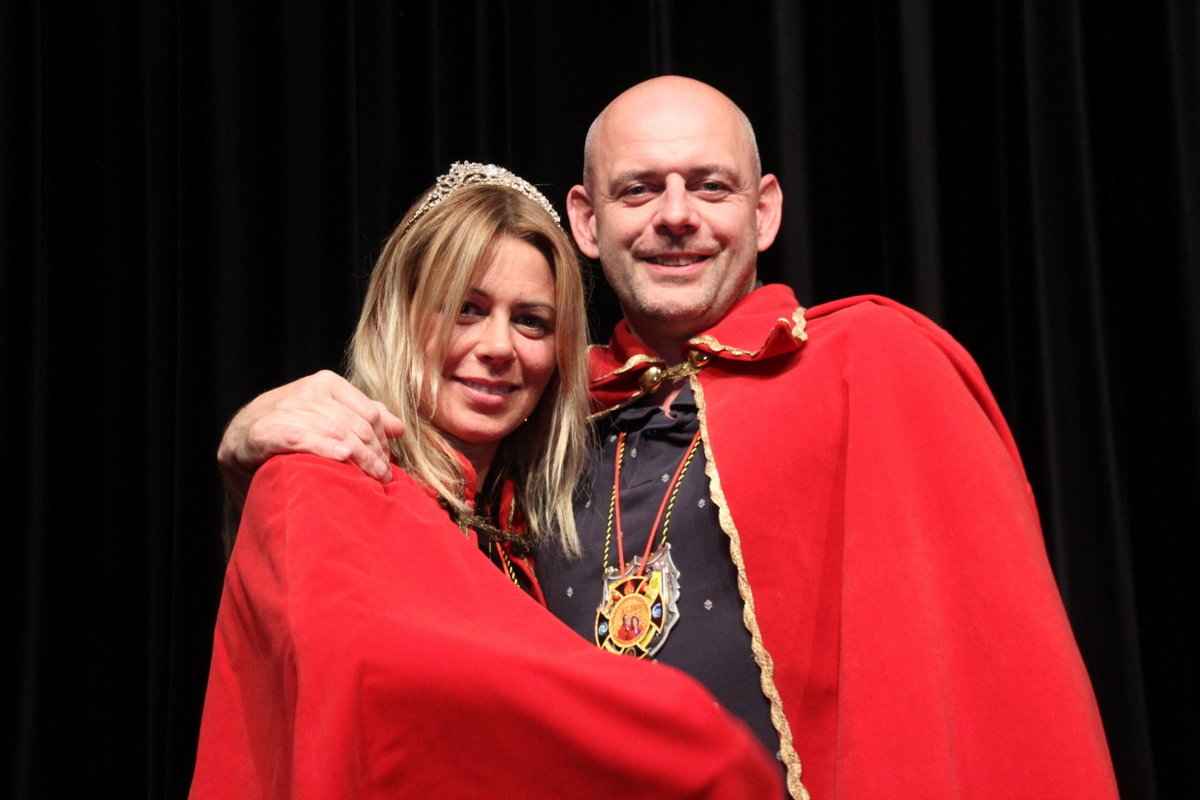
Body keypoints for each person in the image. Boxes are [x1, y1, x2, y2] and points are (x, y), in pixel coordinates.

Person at [217, 79, 1121, 800]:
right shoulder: (546, 425)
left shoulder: (873, 367)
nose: (676, 214)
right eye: (640, 189)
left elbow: (985, 676)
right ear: (588, 221)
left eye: (711, 185)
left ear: (764, 211)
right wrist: (247, 444)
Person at [191, 162, 782, 800]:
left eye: (531, 321)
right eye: (465, 310)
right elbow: (370, 703)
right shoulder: (318, 473)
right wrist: (698, 741)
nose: (499, 346)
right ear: (397, 316)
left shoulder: (526, 522)